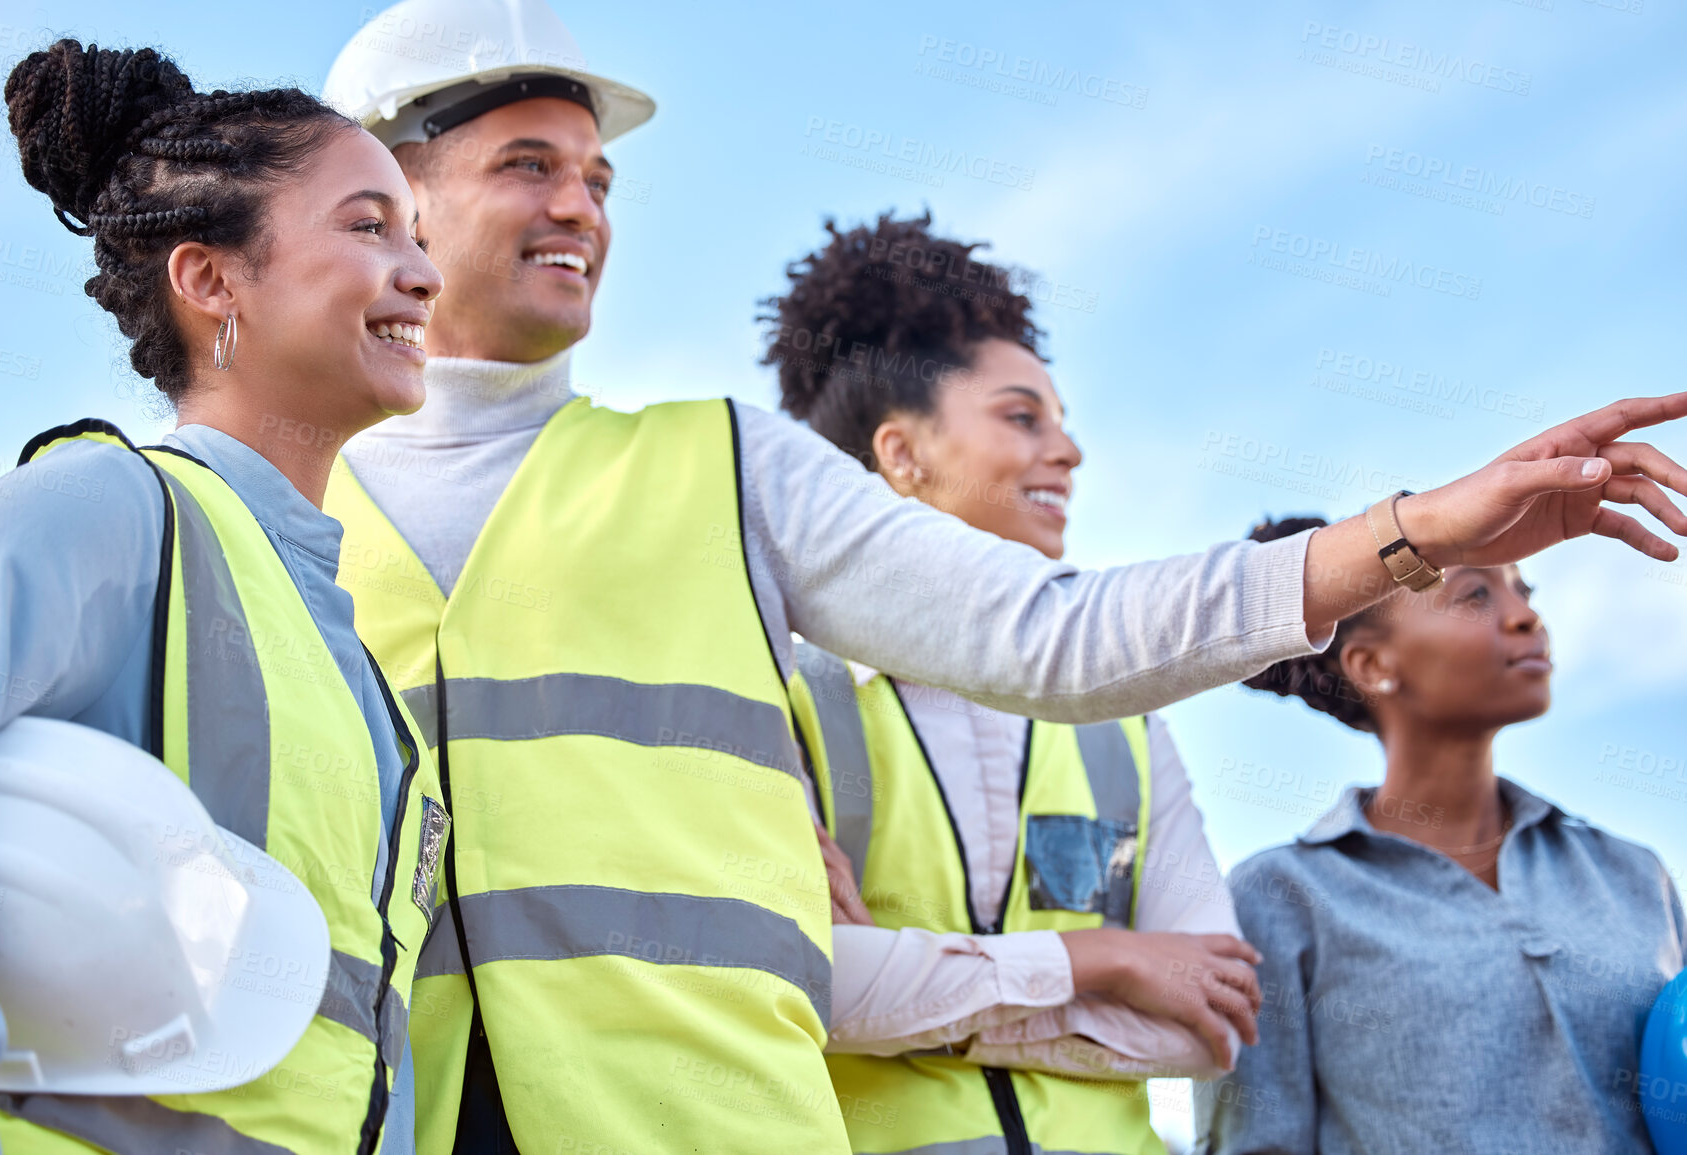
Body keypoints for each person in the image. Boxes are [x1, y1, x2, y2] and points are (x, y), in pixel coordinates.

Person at [321, 0, 1687, 1149]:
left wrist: (1419, 530)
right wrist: (1082, 961)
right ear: (390, 193)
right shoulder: (287, 506)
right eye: (526, 165)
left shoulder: (721, 470)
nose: (579, 206)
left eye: (596, 178)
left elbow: (1064, 640)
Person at [0, 40, 445, 1155]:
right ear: (211, 280)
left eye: (418, 232)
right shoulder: (103, 509)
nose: (423, 270)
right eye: (369, 226)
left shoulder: (351, 663)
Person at [768, 213, 1259, 1155]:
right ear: (901, 455)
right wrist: (1104, 957)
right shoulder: (783, 688)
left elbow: (1211, 1020)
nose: (1068, 452)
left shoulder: (1129, 725)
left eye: (1062, 424)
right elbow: (809, 985)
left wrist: (923, 996)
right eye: (1021, 416)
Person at [1194, 516, 1687, 1154]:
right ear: (1373, 666)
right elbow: (1259, 1142)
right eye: (1476, 595)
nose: (1523, 617)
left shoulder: (1632, 874)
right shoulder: (1280, 896)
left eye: (1523, 591)